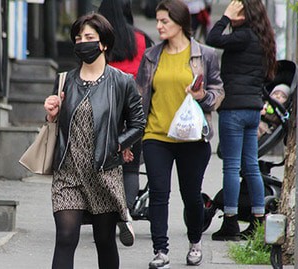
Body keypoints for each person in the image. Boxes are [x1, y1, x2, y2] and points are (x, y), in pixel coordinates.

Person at [44, 13, 146, 269]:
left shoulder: (122, 82)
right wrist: (52, 114)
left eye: (89, 37)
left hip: (103, 172)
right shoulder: (64, 80)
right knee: (65, 238)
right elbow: (56, 126)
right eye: (78, 38)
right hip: (68, 173)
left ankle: (122, 219)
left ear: (103, 44)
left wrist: (117, 143)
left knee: (104, 240)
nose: (82, 43)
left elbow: (138, 124)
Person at [135, 0, 224, 267]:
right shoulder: (152, 55)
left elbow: (218, 93)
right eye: (158, 21)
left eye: (165, 21)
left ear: (181, 24)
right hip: (156, 135)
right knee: (159, 194)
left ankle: (195, 241)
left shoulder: (205, 55)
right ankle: (160, 251)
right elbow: (139, 96)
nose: (158, 25)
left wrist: (203, 96)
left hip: (192, 137)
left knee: (191, 196)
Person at [206, 0, 277, 240]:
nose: (232, 11)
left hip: (234, 110)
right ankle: (258, 221)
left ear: (245, 14)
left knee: (231, 167)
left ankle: (230, 222)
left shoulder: (242, 37)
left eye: (237, 9)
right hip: (253, 110)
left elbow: (212, 37)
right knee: (251, 166)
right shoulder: (263, 39)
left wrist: (225, 16)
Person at [97, 0, 154, 247]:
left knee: (103, 165)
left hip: (104, 109)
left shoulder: (99, 39)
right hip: (135, 109)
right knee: (130, 168)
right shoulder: (142, 39)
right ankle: (125, 213)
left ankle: (105, 217)